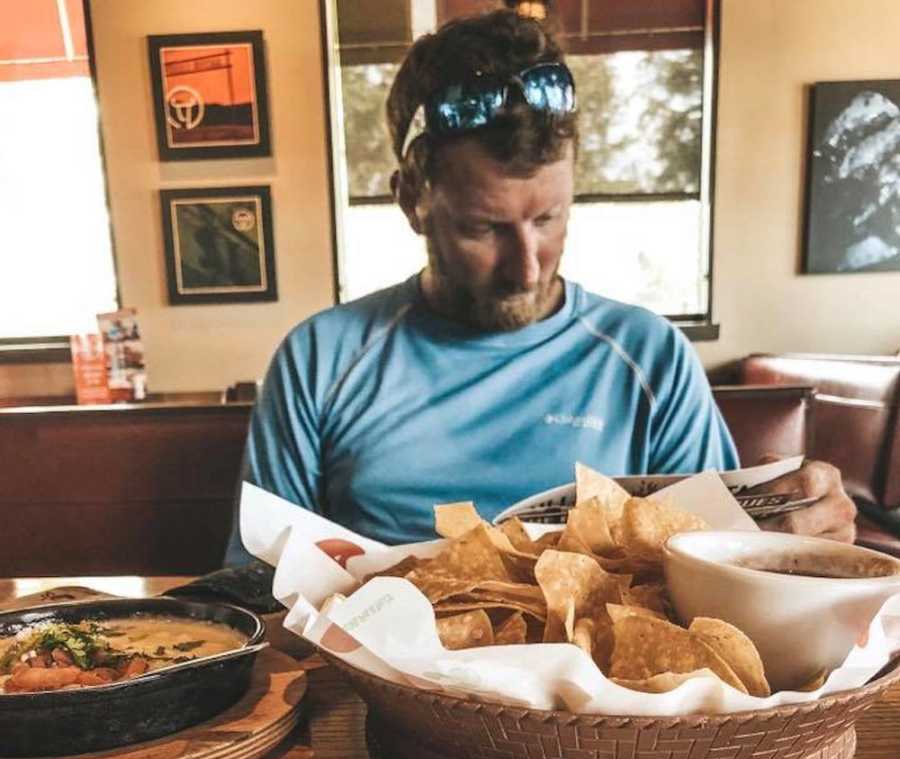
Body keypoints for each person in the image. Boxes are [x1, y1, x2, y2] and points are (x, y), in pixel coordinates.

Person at [226, 9, 855, 561]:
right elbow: (258, 579)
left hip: (600, 693)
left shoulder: (649, 357)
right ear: (412, 201)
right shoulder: (321, 359)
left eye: (548, 219)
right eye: (483, 228)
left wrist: (794, 536)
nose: (526, 267)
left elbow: (722, 559)